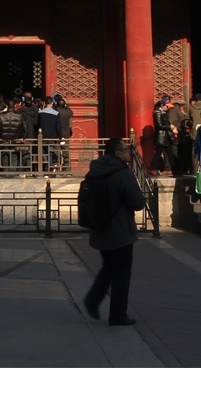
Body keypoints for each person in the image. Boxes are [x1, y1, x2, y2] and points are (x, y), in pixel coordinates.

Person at [80, 136, 146, 326]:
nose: (129, 152)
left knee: (108, 267)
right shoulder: (123, 173)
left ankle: (93, 299)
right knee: (121, 274)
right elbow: (138, 202)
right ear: (118, 153)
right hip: (120, 230)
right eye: (126, 150)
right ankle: (118, 315)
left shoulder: (95, 171)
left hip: (100, 228)